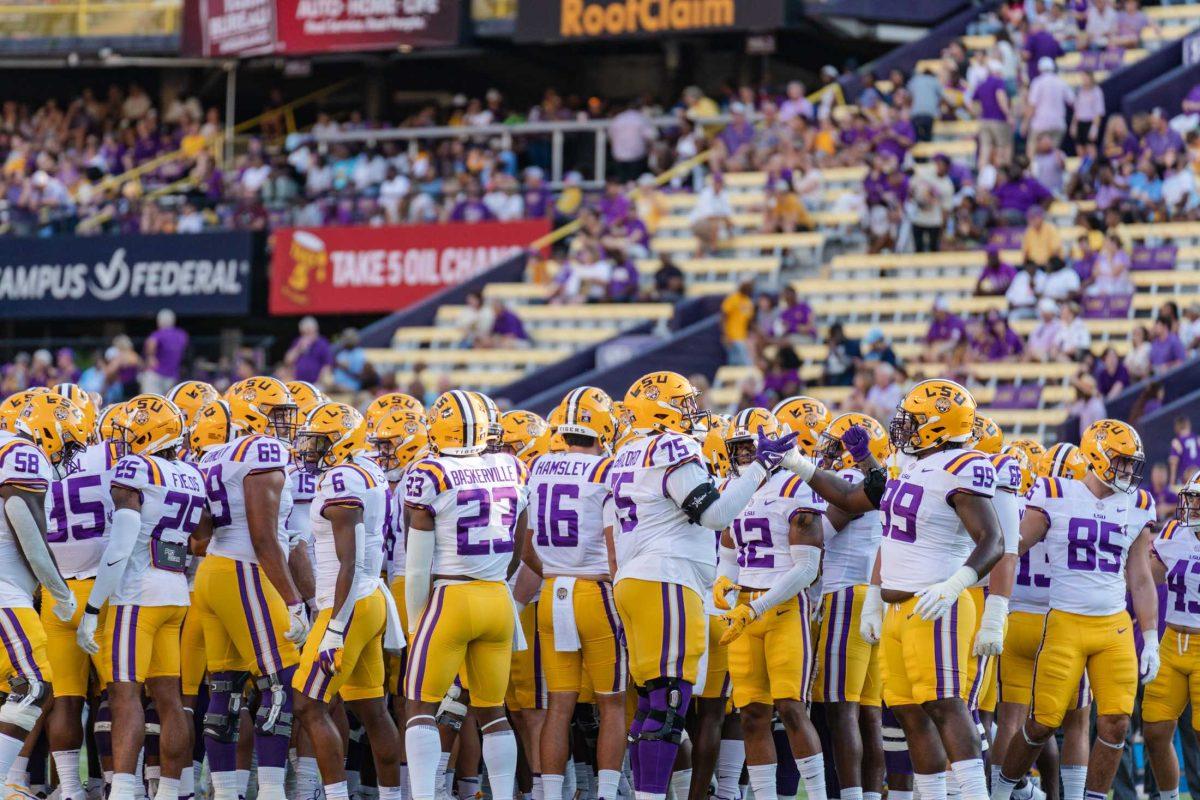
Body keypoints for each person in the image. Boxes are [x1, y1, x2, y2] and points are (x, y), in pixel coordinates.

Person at [786, 379, 1004, 800]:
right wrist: (797, 462)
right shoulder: (914, 465)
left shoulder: (964, 465)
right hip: (896, 608)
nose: (903, 425)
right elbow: (851, 499)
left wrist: (955, 584)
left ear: (940, 426)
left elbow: (992, 540)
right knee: (909, 711)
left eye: (915, 419)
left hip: (935, 602)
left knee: (945, 703)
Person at [610, 372, 797, 800]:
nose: (694, 411)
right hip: (667, 578)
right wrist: (757, 471)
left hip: (637, 579)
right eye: (685, 403)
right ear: (662, 409)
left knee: (652, 703)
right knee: (670, 703)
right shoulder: (671, 445)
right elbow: (714, 516)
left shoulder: (628, 451)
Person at [993, 420, 1159, 800]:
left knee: (1116, 721)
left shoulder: (1137, 504)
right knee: (1041, 723)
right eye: (1122, 461)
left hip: (1113, 626)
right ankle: (1002, 790)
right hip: (1064, 620)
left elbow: (1140, 578)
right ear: (1098, 456)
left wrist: (1150, 638)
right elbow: (1011, 549)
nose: (1129, 471)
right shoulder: (1054, 491)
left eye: (1133, 463)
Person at [75, 395, 206, 800]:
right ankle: (170, 790)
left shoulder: (137, 467)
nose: (126, 438)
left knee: (124, 692)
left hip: (137, 594)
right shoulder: (191, 474)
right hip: (174, 590)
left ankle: (124, 790)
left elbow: (119, 546)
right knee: (169, 697)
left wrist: (94, 608)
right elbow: (201, 534)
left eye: (134, 430)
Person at [403, 390, 527, 800]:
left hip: (451, 596)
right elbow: (519, 542)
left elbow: (417, 565)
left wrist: (415, 619)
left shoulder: (431, 472)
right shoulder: (511, 466)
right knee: (493, 713)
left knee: (419, 707)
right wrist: (496, 580)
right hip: (496, 597)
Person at [192, 377, 309, 800]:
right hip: (245, 570)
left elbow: (200, 535)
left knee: (224, 691)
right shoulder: (261, 450)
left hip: (212, 572)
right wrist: (294, 600)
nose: (283, 423)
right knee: (281, 685)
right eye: (276, 412)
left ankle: (226, 792)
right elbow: (264, 538)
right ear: (252, 411)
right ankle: (273, 792)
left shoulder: (214, 452)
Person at [715, 409, 829, 800]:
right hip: (744, 611)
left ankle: (814, 796)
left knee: (792, 709)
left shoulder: (796, 486)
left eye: (753, 446)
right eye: (739, 447)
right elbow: (729, 550)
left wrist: (757, 606)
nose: (746, 454)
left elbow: (808, 568)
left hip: (782, 610)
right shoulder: (737, 486)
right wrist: (722, 580)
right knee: (750, 714)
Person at [291, 402, 403, 800]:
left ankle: (336, 795)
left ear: (342, 441)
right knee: (373, 709)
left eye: (320, 441)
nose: (310, 449)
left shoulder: (342, 480)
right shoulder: (367, 469)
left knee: (307, 704)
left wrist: (335, 628)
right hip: (368, 599)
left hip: (349, 605)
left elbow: (349, 560)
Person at [523, 389, 626, 800]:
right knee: (612, 704)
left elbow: (526, 546)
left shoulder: (540, 465)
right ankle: (606, 793)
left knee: (558, 706)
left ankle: (551, 794)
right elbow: (614, 546)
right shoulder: (606, 470)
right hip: (594, 591)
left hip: (552, 592)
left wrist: (553, 571)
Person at [0, 394, 86, 793]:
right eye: (66, 439)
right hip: (4, 590)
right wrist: (60, 590)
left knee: (9, 689)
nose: (66, 450)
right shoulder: (21, 452)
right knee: (35, 684)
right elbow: (26, 528)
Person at [41, 389, 117, 800]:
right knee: (118, 694)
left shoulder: (36, 461)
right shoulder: (107, 454)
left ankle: (69, 789)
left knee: (65, 699)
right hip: (102, 589)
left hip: (55, 591)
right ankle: (118, 783)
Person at [810, 414, 889, 800]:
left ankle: (853, 795)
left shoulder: (857, 484)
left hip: (848, 595)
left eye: (836, 445)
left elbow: (819, 535)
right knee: (869, 713)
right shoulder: (883, 479)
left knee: (842, 710)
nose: (828, 451)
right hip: (873, 597)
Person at [1142, 472, 1200, 800]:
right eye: (1191, 498)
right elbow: (1147, 578)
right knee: (1154, 730)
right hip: (1171, 641)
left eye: (1198, 500)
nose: (1191, 506)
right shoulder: (1174, 532)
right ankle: (1169, 797)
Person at [142, 309, 189, 396]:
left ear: (159, 321)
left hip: (156, 374)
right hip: (173, 375)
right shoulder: (181, 335)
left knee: (151, 401)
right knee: (168, 403)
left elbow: (151, 344)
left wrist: (150, 357)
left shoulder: (158, 334)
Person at [689, 173, 734, 256]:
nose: (718, 185)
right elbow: (708, 216)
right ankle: (714, 249)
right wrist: (724, 219)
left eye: (720, 183)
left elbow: (727, 215)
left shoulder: (723, 195)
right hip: (697, 223)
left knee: (703, 242)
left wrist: (729, 226)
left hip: (708, 226)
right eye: (717, 183)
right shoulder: (706, 193)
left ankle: (698, 258)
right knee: (714, 224)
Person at [285, 316, 334, 385]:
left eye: (309, 331)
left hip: (317, 384)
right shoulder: (298, 342)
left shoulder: (322, 343)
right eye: (304, 332)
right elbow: (288, 361)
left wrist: (319, 382)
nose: (307, 334)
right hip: (298, 383)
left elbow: (327, 365)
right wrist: (298, 348)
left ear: (315, 329)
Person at [721, 281, 756, 367]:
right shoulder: (733, 299)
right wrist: (725, 334)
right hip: (731, 335)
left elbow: (749, 322)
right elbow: (723, 317)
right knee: (734, 361)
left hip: (742, 335)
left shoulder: (748, 302)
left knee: (744, 361)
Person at [1169, 415, 1200, 487]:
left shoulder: (1177, 442)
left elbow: (1174, 462)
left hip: (1185, 478)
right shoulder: (1197, 439)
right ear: (1188, 425)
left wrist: (1171, 483)